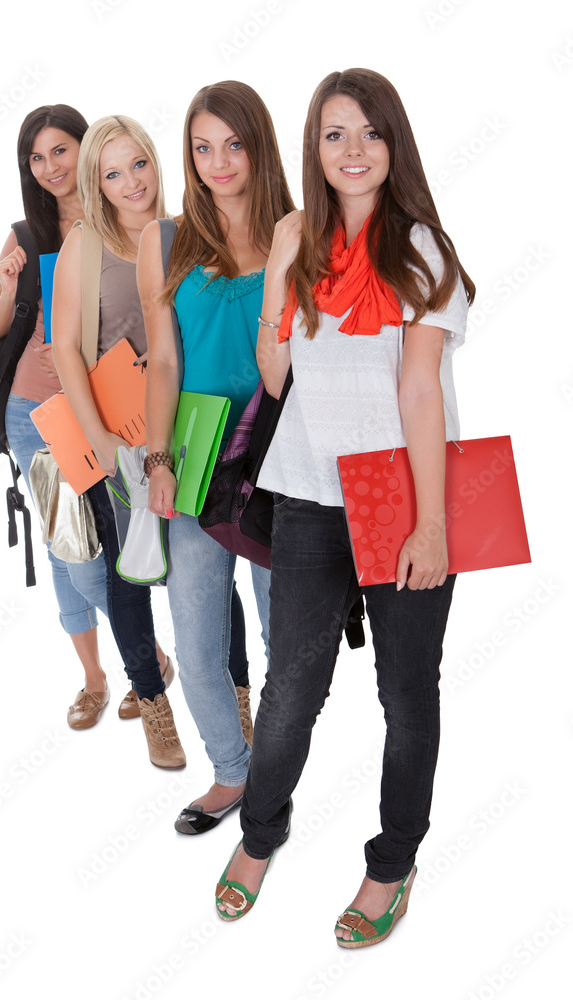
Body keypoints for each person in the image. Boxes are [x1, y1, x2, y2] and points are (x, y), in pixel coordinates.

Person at [214, 68, 475, 946]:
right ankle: (260, 833)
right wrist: (282, 271)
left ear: (393, 143)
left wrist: (432, 524)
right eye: (333, 134)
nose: (352, 151)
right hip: (309, 489)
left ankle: (392, 864)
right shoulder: (302, 242)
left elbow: (420, 394)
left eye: (368, 132)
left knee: (406, 694)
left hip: (400, 488)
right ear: (314, 150)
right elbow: (280, 375)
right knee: (291, 688)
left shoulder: (424, 252)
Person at [137, 81, 296, 831]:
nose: (218, 161)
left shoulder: (300, 233)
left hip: (278, 458)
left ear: (259, 146)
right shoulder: (162, 241)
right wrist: (158, 459)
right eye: (202, 147)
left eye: (233, 143)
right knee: (198, 645)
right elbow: (162, 362)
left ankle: (272, 779)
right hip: (196, 457)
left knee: (285, 644)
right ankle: (231, 774)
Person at [51, 115, 188, 766]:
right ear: (96, 184)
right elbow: (66, 348)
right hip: (119, 433)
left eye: (139, 164)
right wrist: (100, 437)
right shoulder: (85, 242)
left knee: (199, 566)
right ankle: (154, 706)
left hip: (187, 427)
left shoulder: (189, 231)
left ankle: (238, 700)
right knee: (128, 574)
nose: (131, 182)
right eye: (112, 173)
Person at [0, 105, 115, 731]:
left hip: (108, 406)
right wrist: (6, 286)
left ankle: (148, 663)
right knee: (67, 550)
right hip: (33, 409)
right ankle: (101, 676)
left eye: (60, 150)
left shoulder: (120, 211)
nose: (50, 167)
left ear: (86, 149)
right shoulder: (26, 233)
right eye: (37, 158)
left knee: (104, 547)